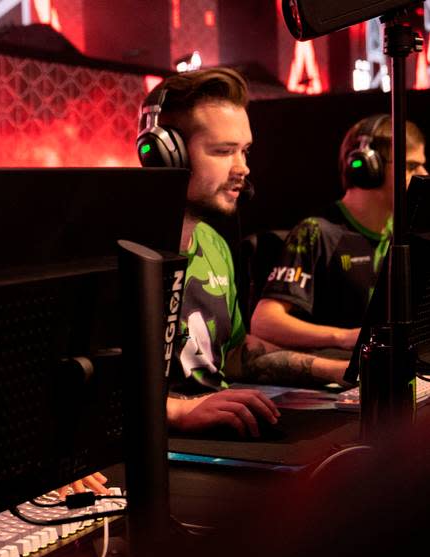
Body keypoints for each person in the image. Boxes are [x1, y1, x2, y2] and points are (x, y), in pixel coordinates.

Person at [137, 68, 350, 437]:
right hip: (154, 443)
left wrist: (335, 369)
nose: (243, 168)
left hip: (219, 426)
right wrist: (176, 412)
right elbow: (71, 382)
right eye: (223, 152)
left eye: (244, 150)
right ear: (164, 153)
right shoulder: (113, 249)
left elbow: (234, 356)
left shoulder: (214, 244)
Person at [250, 115, 427, 351]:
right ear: (368, 168)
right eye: (411, 166)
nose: (424, 174)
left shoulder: (405, 235)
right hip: (334, 379)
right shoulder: (316, 232)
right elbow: (264, 322)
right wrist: (343, 338)